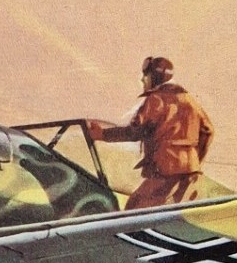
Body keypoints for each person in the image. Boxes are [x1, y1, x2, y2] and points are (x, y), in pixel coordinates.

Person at [87, 57, 214, 210]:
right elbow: (208, 131)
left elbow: (134, 132)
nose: (142, 79)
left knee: (133, 209)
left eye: (145, 75)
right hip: (191, 172)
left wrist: (102, 134)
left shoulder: (156, 99)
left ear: (155, 77)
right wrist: (193, 159)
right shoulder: (189, 100)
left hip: (165, 171)